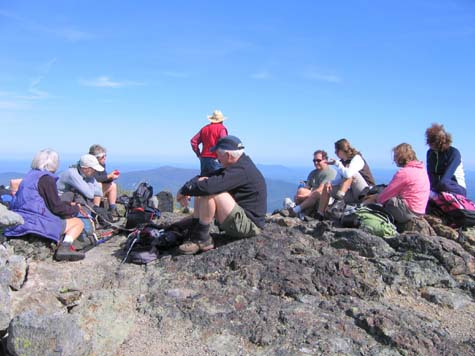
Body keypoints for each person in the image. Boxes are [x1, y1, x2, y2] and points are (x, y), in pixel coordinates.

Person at [176, 135, 267, 255]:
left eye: (218, 155)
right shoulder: (238, 164)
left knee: (210, 192)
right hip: (241, 219)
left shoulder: (242, 170)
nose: (217, 158)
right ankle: (195, 231)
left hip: (249, 226)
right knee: (204, 184)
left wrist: (185, 191)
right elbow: (207, 177)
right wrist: (186, 188)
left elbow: (209, 187)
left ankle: (203, 239)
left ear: (228, 155)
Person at [4, 149, 86, 261]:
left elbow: (40, 201)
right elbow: (56, 208)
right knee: (77, 223)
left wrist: (67, 204)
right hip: (36, 224)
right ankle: (65, 247)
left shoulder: (29, 176)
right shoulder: (46, 179)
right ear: (54, 164)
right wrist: (75, 209)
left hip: (20, 221)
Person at [366, 143, 430, 224]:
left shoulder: (404, 172)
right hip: (420, 211)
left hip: (409, 213)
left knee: (387, 200)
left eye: (395, 156)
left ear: (401, 157)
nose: (394, 159)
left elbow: (384, 196)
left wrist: (374, 198)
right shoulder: (421, 169)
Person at [317, 138, 375, 217]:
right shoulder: (343, 162)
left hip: (365, 191)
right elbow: (338, 179)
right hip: (352, 192)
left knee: (351, 174)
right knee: (326, 186)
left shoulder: (357, 158)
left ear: (341, 151)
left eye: (336, 151)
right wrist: (330, 183)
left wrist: (337, 164)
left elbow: (348, 174)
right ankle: (320, 213)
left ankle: (338, 202)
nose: (336, 154)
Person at [286, 150, 336, 218]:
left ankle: (295, 210)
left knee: (314, 193)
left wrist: (305, 196)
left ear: (325, 160)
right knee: (301, 190)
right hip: (312, 196)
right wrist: (300, 195)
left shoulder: (330, 172)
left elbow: (321, 189)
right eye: (314, 160)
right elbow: (307, 187)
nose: (316, 162)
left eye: (318, 160)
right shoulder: (313, 173)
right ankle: (300, 211)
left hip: (325, 197)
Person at [425, 123, 466, 197]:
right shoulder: (430, 153)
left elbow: (446, 179)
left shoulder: (453, 153)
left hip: (456, 187)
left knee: (444, 184)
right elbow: (430, 175)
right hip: (438, 187)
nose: (429, 145)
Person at [190, 109, 229, 176]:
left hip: (204, 159)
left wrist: (198, 154)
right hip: (216, 158)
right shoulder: (221, 129)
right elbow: (224, 143)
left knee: (203, 182)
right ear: (222, 120)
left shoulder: (204, 129)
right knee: (217, 182)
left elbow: (193, 141)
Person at [88, 144, 120, 216]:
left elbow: (103, 178)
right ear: (97, 158)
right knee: (98, 185)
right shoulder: (88, 165)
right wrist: (109, 176)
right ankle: (95, 211)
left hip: (94, 189)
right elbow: (94, 179)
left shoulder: (101, 164)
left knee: (113, 185)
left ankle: (112, 209)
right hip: (88, 190)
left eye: (105, 156)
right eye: (103, 156)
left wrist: (111, 178)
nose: (105, 158)